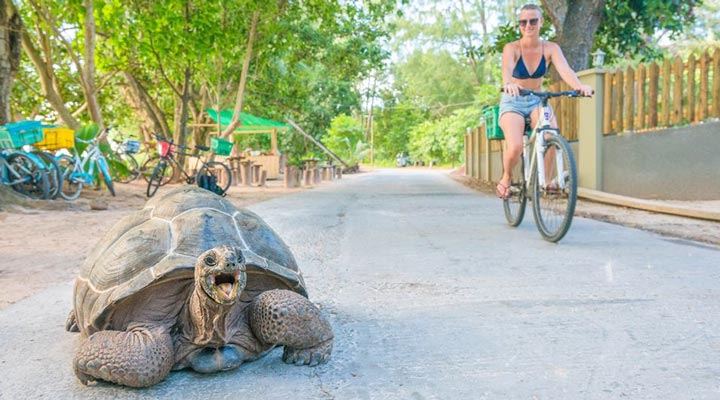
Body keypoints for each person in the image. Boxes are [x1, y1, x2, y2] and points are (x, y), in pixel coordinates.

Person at [496, 3, 593, 199]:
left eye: (532, 21)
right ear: (519, 25)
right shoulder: (512, 48)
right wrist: (508, 84)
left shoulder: (550, 48)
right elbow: (506, 69)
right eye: (523, 22)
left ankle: (546, 182)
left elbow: (565, 70)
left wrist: (579, 86)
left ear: (541, 22)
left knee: (549, 135)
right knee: (514, 146)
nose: (528, 25)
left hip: (536, 100)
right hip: (513, 100)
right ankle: (506, 177)